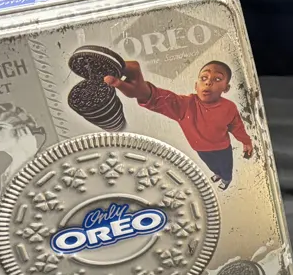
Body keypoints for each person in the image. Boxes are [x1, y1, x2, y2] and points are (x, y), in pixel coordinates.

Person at [106, 59, 253, 188]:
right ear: (196, 85)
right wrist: (144, 92)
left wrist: (246, 141)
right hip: (200, 148)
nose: (208, 82)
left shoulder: (229, 107)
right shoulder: (185, 105)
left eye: (217, 79)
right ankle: (217, 173)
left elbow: (237, 126)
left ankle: (226, 179)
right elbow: (162, 99)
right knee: (211, 165)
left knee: (226, 166)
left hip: (222, 148)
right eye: (204, 78)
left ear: (226, 88)